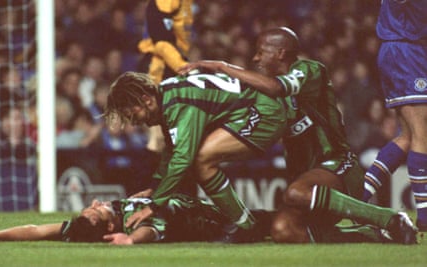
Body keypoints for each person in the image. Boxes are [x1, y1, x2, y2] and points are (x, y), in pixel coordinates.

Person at [178, 27, 418, 244]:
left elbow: (278, 87)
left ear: (280, 53)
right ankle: (366, 234)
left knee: (295, 192)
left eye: (261, 52)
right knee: (284, 230)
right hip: (308, 185)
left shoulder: (311, 71)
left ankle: (391, 218)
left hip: (339, 167)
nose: (255, 58)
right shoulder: (265, 93)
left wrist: (222, 67)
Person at [102, 71, 287, 241]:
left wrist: (154, 206)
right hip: (252, 109)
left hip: (263, 113)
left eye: (133, 115)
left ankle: (247, 226)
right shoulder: (168, 96)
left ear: (146, 100)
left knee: (199, 160)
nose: (135, 123)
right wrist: (154, 188)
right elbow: (171, 150)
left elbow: (182, 159)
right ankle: (246, 224)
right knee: (198, 158)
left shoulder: (178, 105)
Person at [359, 0, 427, 232]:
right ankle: (425, 216)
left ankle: (360, 197)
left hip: (407, 51)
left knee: (408, 136)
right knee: (421, 131)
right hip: (404, 51)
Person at [0, 194, 270, 244]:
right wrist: (131, 239)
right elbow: (151, 230)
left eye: (89, 207)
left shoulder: (117, 208)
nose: (95, 204)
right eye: (97, 210)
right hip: (227, 224)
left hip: (226, 211)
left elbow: (37, 230)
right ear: (109, 226)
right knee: (282, 227)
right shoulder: (132, 219)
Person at [138, 0, 195, 156]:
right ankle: (146, 175)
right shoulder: (157, 6)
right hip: (156, 64)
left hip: (172, 64)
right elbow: (161, 40)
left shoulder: (182, 6)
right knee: (156, 137)